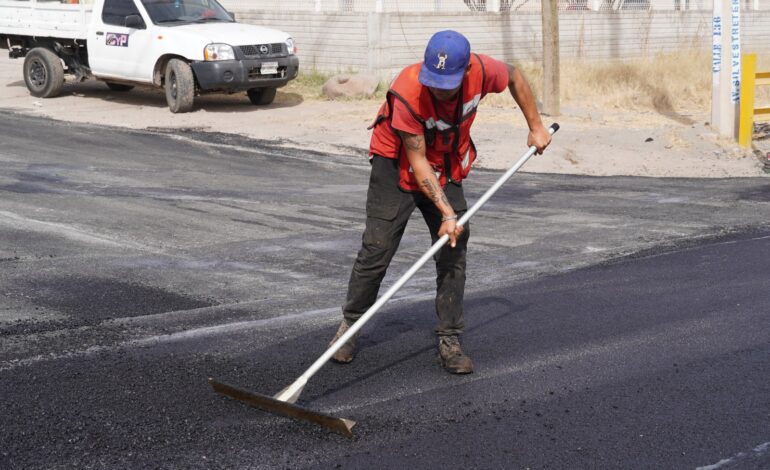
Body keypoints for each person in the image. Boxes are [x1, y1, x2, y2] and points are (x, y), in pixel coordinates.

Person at [330, 30, 551, 374]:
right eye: (433, 80)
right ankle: (350, 326)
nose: (437, 88)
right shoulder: (408, 90)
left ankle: (449, 337)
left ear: (464, 73)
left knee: (453, 248)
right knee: (377, 248)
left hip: (445, 162)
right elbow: (417, 164)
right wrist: (447, 211)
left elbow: (514, 75)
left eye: (446, 83)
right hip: (397, 164)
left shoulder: (481, 70)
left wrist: (536, 125)